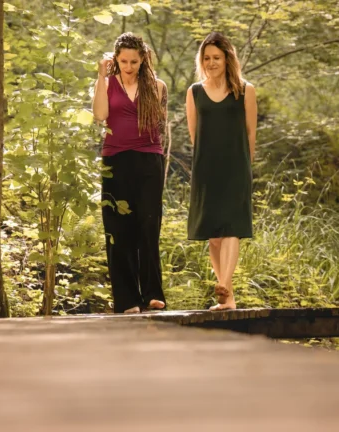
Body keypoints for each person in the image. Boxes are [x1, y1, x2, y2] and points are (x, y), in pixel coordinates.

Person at [92, 33, 168, 314]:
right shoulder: (108, 84)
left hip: (149, 160)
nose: (128, 66)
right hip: (116, 160)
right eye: (123, 61)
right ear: (115, 59)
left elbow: (158, 125)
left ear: (143, 59)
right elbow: (100, 115)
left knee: (148, 227)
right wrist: (101, 76)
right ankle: (126, 299)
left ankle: (152, 294)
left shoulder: (157, 86)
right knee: (118, 229)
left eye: (134, 61)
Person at [185, 32, 257, 311]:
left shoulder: (245, 90)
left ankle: (225, 285)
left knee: (231, 229)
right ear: (201, 61)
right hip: (206, 169)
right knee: (213, 235)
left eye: (217, 57)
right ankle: (228, 298)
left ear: (228, 59)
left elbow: (251, 133)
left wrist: (246, 168)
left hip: (236, 167)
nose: (212, 62)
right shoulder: (194, 92)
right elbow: (195, 135)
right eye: (207, 58)